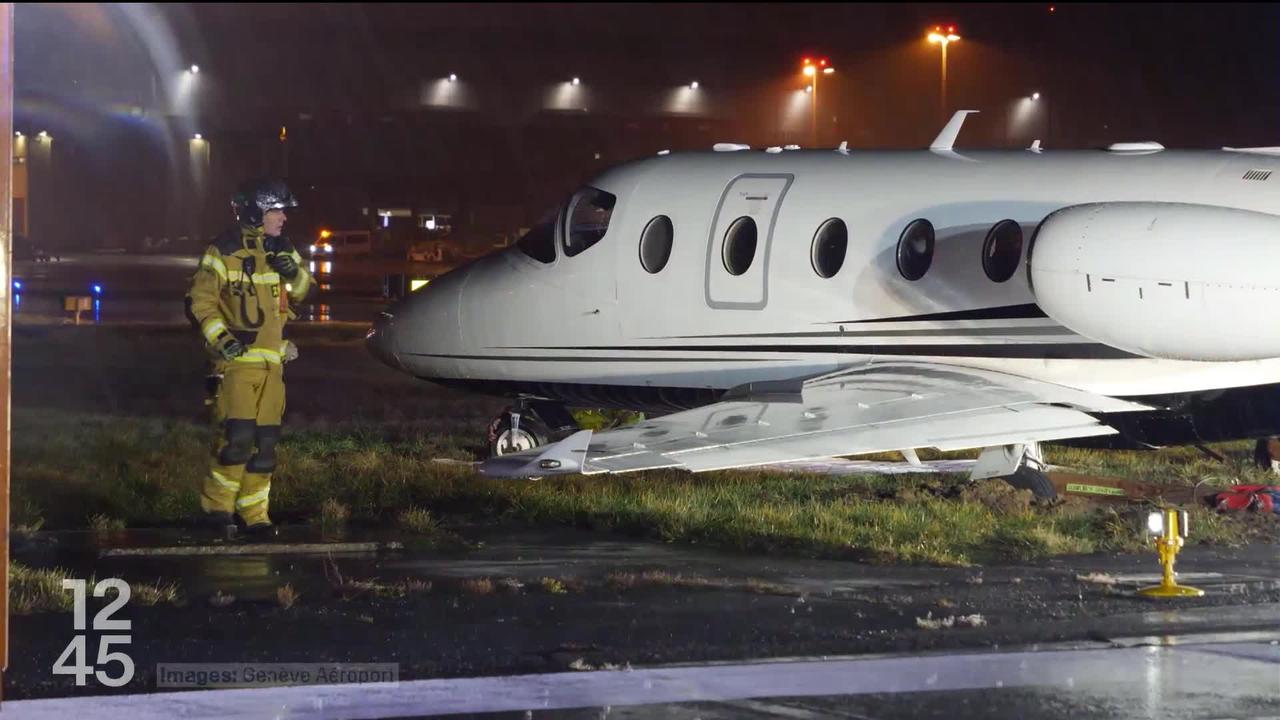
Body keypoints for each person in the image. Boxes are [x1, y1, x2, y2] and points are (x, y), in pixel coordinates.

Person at [185, 178, 313, 537]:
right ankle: (216, 512)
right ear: (257, 210)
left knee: (265, 445)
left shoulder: (283, 248)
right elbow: (201, 302)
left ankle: (255, 515)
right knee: (236, 439)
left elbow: (304, 291)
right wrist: (222, 340)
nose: (284, 217)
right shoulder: (221, 250)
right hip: (236, 365)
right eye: (277, 210)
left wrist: (295, 273)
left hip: (274, 365)